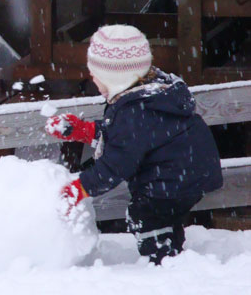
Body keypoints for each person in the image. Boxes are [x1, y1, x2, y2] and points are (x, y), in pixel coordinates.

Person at [45, 24, 223, 265]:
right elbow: (128, 139)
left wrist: (80, 188)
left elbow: (116, 165)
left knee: (145, 216)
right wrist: (83, 130)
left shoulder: (134, 110)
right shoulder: (150, 95)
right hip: (187, 174)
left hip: (169, 181)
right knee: (165, 217)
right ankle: (174, 255)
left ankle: (162, 262)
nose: (92, 78)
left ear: (114, 77)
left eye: (96, 74)